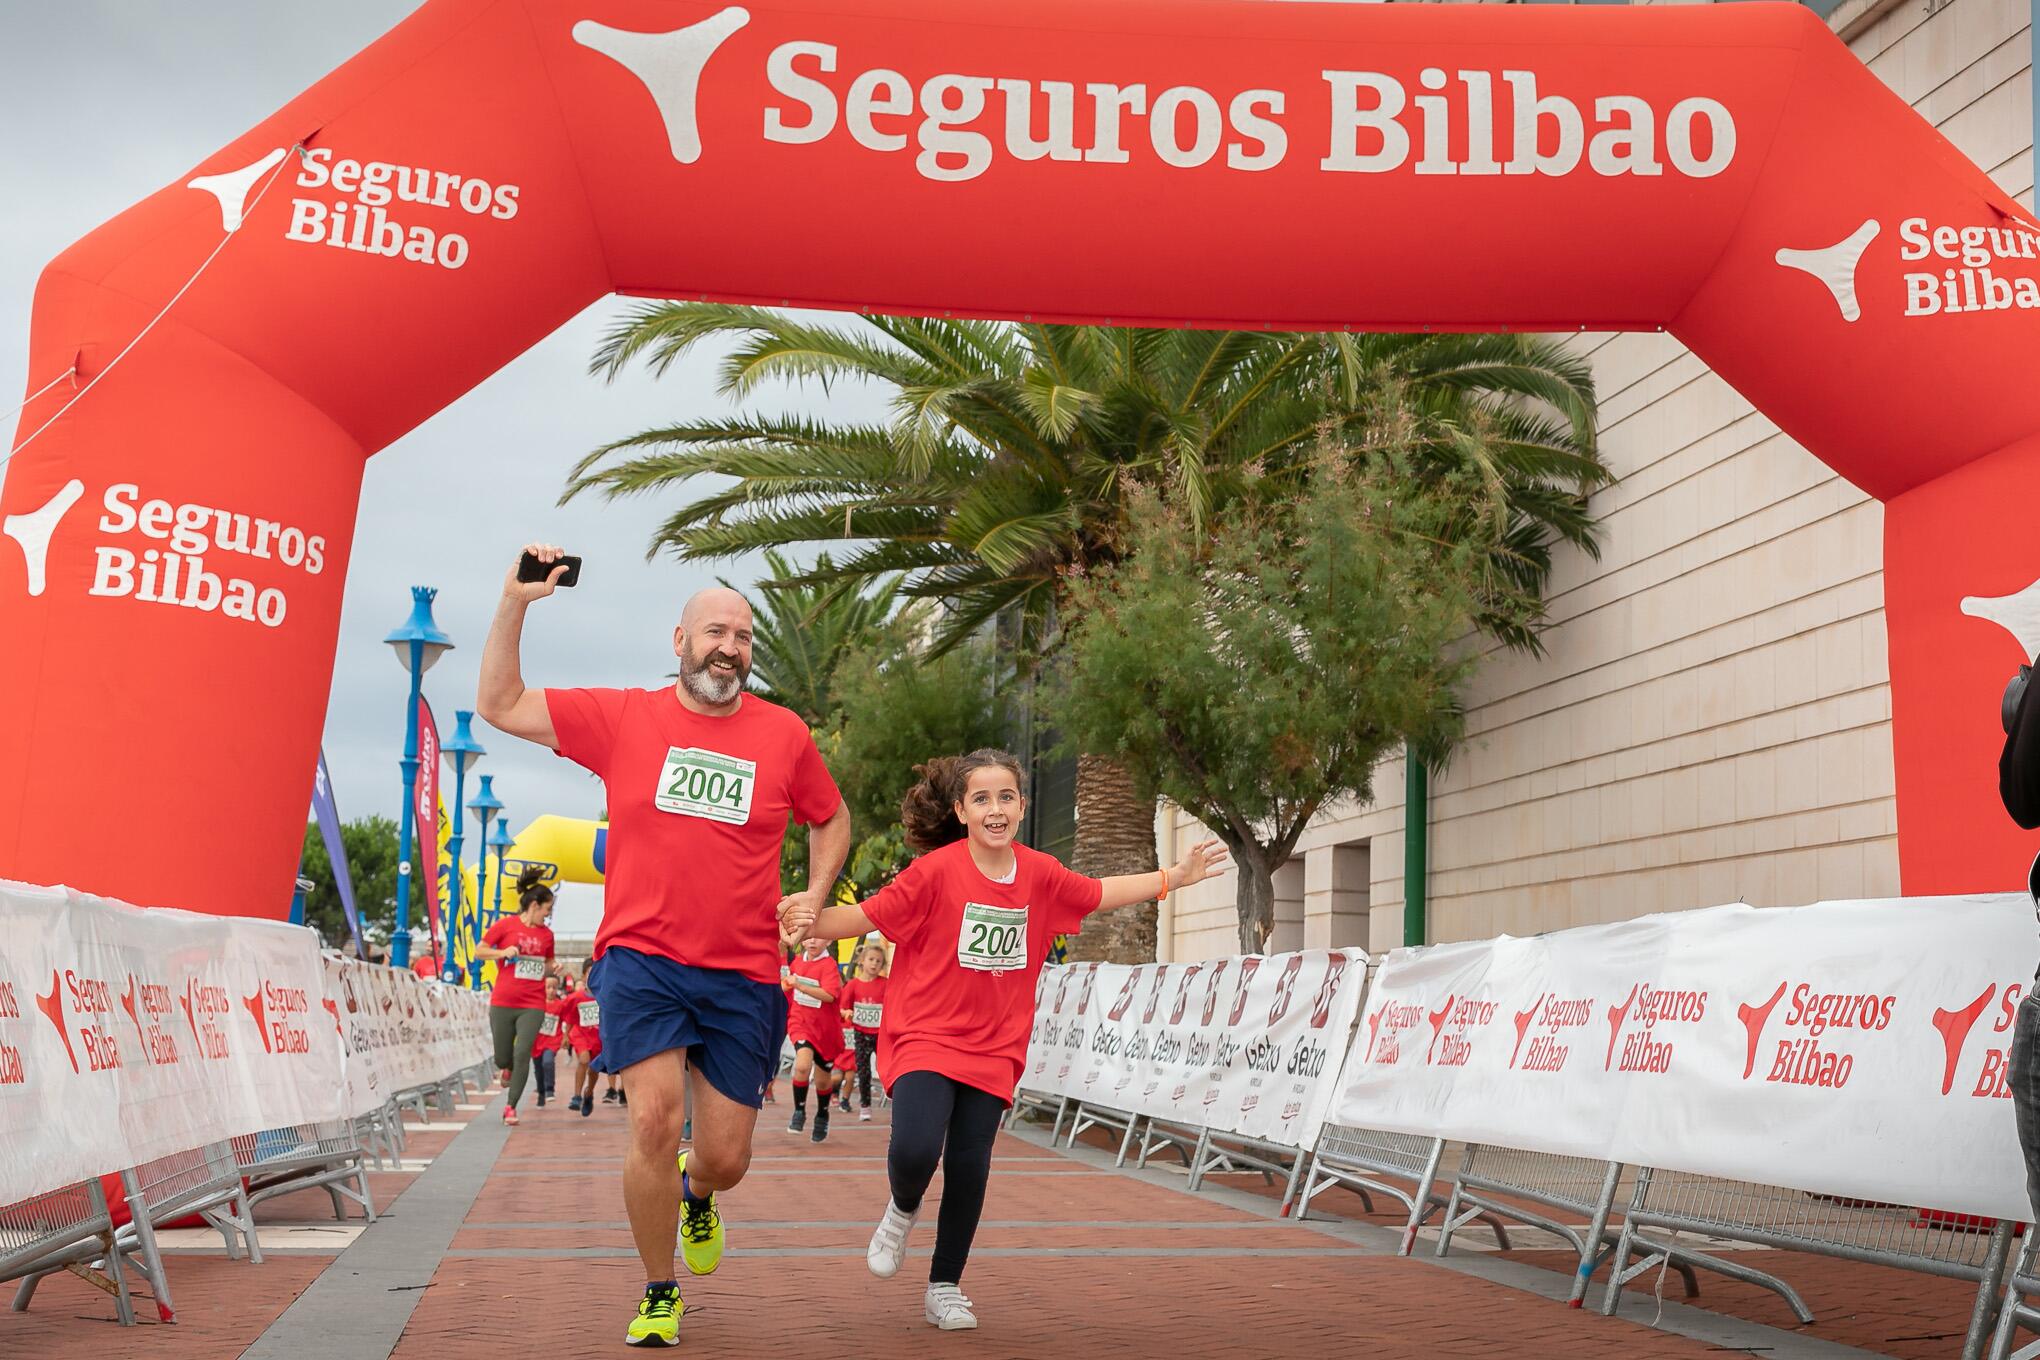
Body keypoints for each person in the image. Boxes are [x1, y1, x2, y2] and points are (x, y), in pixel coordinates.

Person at [478, 545, 851, 1348]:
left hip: (745, 972)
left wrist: (814, 897)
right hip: (641, 961)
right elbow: (501, 703)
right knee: (652, 1118)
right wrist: (516, 602)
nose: (730, 647)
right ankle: (658, 1290)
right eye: (714, 631)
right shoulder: (623, 718)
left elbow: (832, 816)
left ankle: (700, 1196)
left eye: (744, 637)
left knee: (724, 1156)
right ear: (677, 641)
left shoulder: (784, 735)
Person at [780, 749, 1226, 1331]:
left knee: (971, 1164)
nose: (996, 809)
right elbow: (864, 918)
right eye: (982, 799)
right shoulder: (935, 871)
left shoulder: (1040, 873)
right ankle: (902, 1207)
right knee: (916, 1150)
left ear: (1021, 806)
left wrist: (1175, 877)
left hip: (996, 1045)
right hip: (925, 1033)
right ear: (962, 811)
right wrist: (804, 915)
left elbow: (1097, 891)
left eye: (1006, 797)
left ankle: (944, 1285)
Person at [472, 867, 557, 1127]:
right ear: (534, 905)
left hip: (533, 1003)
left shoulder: (547, 935)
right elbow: (479, 951)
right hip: (504, 1001)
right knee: (502, 1057)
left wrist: (554, 968)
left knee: (523, 1053)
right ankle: (505, 1066)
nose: (548, 915)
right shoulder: (506, 926)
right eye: (546, 910)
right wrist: (502, 953)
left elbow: (549, 962)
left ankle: (511, 1106)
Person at [783, 938, 844, 1142]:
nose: (812, 941)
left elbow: (829, 995)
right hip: (800, 1023)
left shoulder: (829, 965)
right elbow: (790, 988)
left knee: (822, 1080)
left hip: (825, 1031)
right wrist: (784, 987)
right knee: (802, 1065)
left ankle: (822, 1114)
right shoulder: (798, 961)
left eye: (818, 937)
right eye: (808, 937)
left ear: (828, 940)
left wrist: (799, 985)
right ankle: (799, 1112)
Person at [837, 942, 889, 1121]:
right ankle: (865, 1106)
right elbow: (842, 1008)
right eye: (871, 959)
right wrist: (847, 1013)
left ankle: (893, 1097)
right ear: (862, 961)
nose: (874, 964)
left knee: (886, 1067)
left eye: (879, 962)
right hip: (860, 1033)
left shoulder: (885, 984)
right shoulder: (852, 985)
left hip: (881, 1035)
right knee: (863, 1071)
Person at [563, 970, 604, 1116]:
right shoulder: (576, 998)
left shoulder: (605, 996)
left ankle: (589, 1093)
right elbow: (570, 1017)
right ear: (583, 977)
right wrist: (566, 1036)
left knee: (594, 1069)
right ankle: (576, 1096)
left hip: (599, 1037)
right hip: (581, 1035)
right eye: (589, 973)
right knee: (584, 1059)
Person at [533, 973, 566, 1107]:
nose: (551, 990)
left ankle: (550, 1089)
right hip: (536, 1041)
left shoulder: (560, 1005)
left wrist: (565, 1037)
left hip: (552, 1041)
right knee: (538, 1069)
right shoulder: (536, 1004)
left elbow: (566, 1021)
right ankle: (541, 1092)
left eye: (554, 987)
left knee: (548, 1062)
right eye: (548, 987)